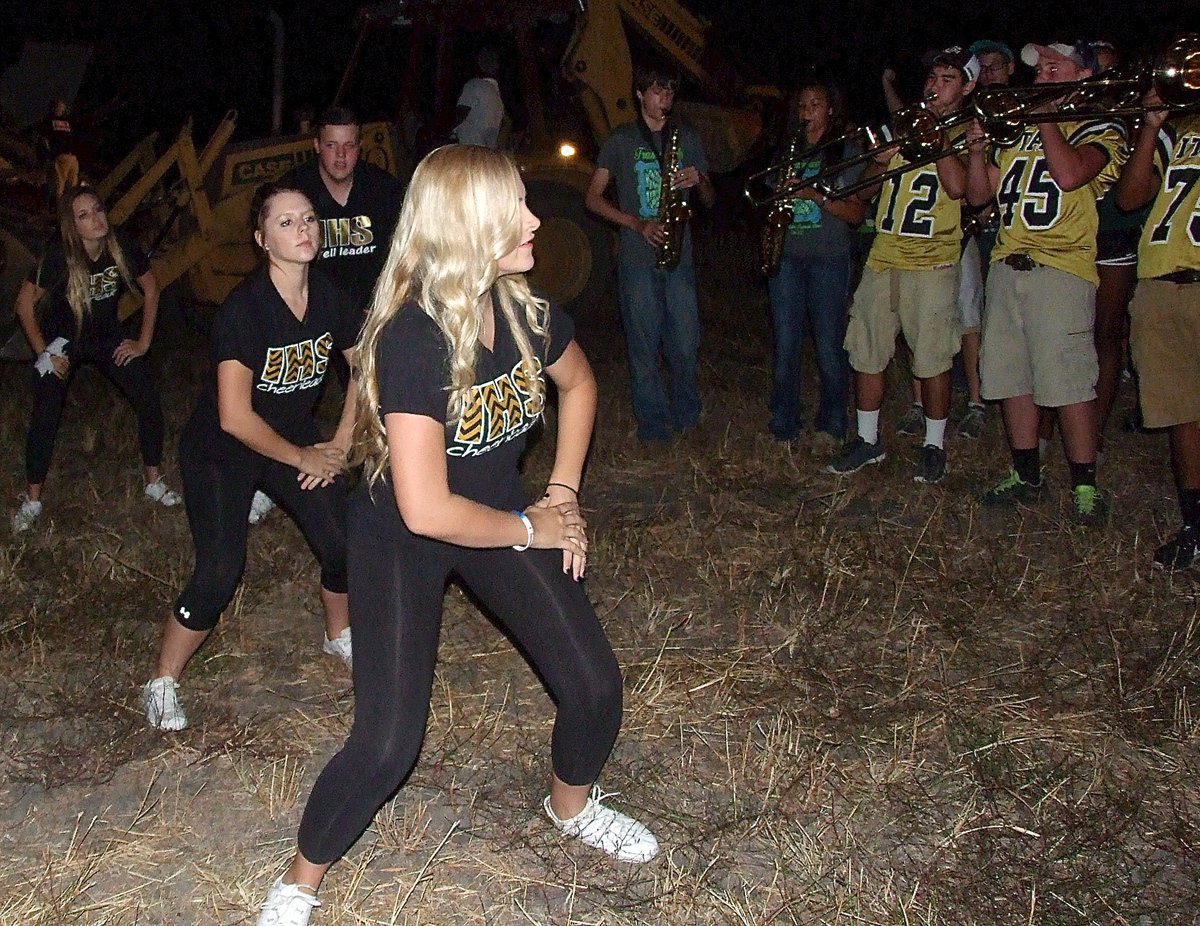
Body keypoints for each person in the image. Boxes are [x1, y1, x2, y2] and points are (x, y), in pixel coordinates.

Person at [254, 145, 657, 925]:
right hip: (403, 536)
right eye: (516, 209)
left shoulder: (524, 307)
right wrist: (530, 527)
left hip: (500, 512)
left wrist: (563, 492)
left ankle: (571, 810)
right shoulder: (414, 337)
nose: (538, 218)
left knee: (595, 685)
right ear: (469, 229)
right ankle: (299, 882)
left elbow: (579, 384)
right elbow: (427, 511)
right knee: (388, 743)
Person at [142, 182, 358, 732]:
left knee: (343, 542)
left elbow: (364, 368)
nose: (303, 229)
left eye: (308, 218)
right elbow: (234, 417)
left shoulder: (331, 295)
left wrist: (340, 441)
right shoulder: (243, 308)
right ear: (262, 239)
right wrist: (302, 458)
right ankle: (162, 680)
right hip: (222, 451)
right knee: (219, 572)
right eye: (286, 223)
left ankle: (339, 637)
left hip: (292, 440)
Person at [966, 42, 1125, 523]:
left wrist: (1046, 118)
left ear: (1084, 73)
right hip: (1007, 263)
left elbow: (1071, 174)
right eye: (1040, 66)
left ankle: (1085, 486)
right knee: (1011, 375)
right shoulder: (1015, 128)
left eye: (1057, 62)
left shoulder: (1104, 127)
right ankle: (1025, 473)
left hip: (1060, 269)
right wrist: (977, 153)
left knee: (1068, 383)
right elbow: (979, 196)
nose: (1044, 68)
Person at [827, 48, 978, 485]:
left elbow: (959, 188)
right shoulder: (902, 124)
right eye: (933, 77)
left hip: (932, 262)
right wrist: (878, 159)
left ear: (967, 87)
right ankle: (868, 440)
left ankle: (934, 444)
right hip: (883, 256)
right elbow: (862, 196)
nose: (935, 86)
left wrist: (939, 138)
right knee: (866, 350)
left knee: (932, 359)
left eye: (948, 79)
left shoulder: (971, 131)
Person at [255, 106, 404, 527]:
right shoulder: (296, 192)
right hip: (319, 318)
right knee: (284, 396)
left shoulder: (383, 190)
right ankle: (268, 480)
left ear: (360, 148)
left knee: (382, 397)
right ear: (317, 146)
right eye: (332, 146)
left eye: (350, 146)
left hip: (373, 314)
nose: (341, 157)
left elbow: (406, 253)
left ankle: (386, 483)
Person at [12, 185, 179, 534]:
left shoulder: (121, 245)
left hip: (107, 336)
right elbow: (23, 304)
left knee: (148, 398)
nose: (96, 219)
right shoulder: (58, 255)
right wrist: (44, 351)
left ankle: (152, 481)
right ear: (72, 226)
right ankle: (32, 501)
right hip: (63, 339)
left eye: (98, 209)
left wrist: (144, 341)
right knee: (46, 411)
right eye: (84, 215)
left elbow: (152, 287)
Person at [585, 61, 714, 444]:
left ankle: (687, 417)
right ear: (641, 94)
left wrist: (701, 179)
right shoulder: (622, 139)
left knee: (686, 341)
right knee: (643, 345)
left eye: (670, 92)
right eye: (658, 91)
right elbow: (592, 198)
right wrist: (636, 224)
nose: (665, 99)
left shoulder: (686, 137)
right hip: (637, 259)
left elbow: (708, 199)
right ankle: (653, 427)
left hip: (680, 257)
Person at [1115, 89, 1200, 568]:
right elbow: (1130, 198)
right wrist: (1150, 126)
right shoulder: (1180, 132)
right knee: (1182, 412)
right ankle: (1195, 525)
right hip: (1162, 280)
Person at [764, 81, 865, 444]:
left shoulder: (847, 152)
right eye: (802, 105)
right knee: (786, 343)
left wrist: (812, 194)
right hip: (787, 259)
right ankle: (784, 420)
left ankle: (834, 420)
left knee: (828, 345)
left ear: (830, 110)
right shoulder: (786, 152)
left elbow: (855, 214)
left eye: (816, 104)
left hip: (828, 261)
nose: (807, 111)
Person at [453, 46, 506, 149]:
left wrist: (449, 131)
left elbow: (461, 112)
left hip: (470, 148)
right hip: (487, 151)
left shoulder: (474, 85)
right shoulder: (496, 92)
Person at [40, 100, 80, 202]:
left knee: (72, 185)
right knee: (59, 184)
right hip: (60, 155)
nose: (62, 109)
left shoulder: (67, 122)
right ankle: (56, 207)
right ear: (53, 108)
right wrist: (50, 153)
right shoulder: (49, 120)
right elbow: (44, 138)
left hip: (71, 156)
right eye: (59, 107)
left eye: (62, 107)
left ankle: (67, 207)